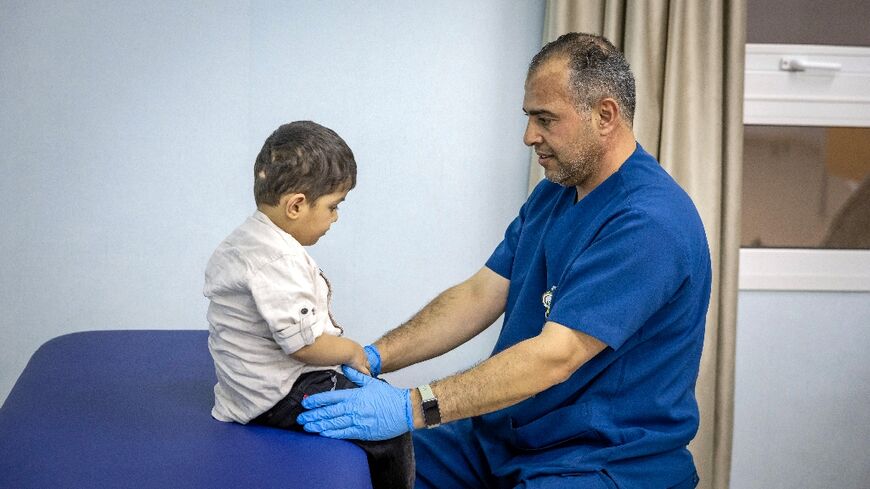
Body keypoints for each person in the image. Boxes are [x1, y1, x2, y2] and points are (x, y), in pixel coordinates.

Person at [298, 33, 711, 489]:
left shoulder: (649, 222)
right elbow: (480, 293)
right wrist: (372, 357)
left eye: (545, 119)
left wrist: (411, 407)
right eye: (529, 117)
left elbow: (556, 356)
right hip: (504, 438)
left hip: (599, 460)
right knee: (354, 462)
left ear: (605, 115)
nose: (529, 136)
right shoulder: (555, 193)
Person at [203, 121, 414, 489]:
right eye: (333, 206)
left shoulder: (247, 240)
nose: (335, 217)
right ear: (297, 205)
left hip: (245, 389)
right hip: (276, 394)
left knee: (372, 391)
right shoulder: (277, 260)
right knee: (390, 428)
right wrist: (349, 351)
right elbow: (304, 346)